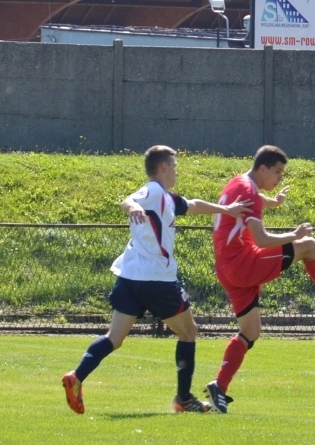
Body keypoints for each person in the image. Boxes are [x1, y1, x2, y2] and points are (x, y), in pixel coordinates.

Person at [61, 145, 252, 415]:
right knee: (188, 332)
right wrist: (133, 207)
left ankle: (76, 376)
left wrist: (227, 209)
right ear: (163, 167)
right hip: (157, 280)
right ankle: (184, 399)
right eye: (174, 166)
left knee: (114, 338)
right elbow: (128, 200)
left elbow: (193, 205)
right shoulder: (152, 191)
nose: (175, 171)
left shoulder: (165, 198)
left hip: (130, 277)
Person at [204, 145, 315, 414]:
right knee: (308, 245)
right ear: (262, 169)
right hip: (244, 263)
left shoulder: (237, 183)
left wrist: (272, 202)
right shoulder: (250, 191)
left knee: (250, 332)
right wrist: (293, 235)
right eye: (277, 173)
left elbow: (250, 201)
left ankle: (219, 387)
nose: (279, 179)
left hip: (227, 269)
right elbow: (262, 240)